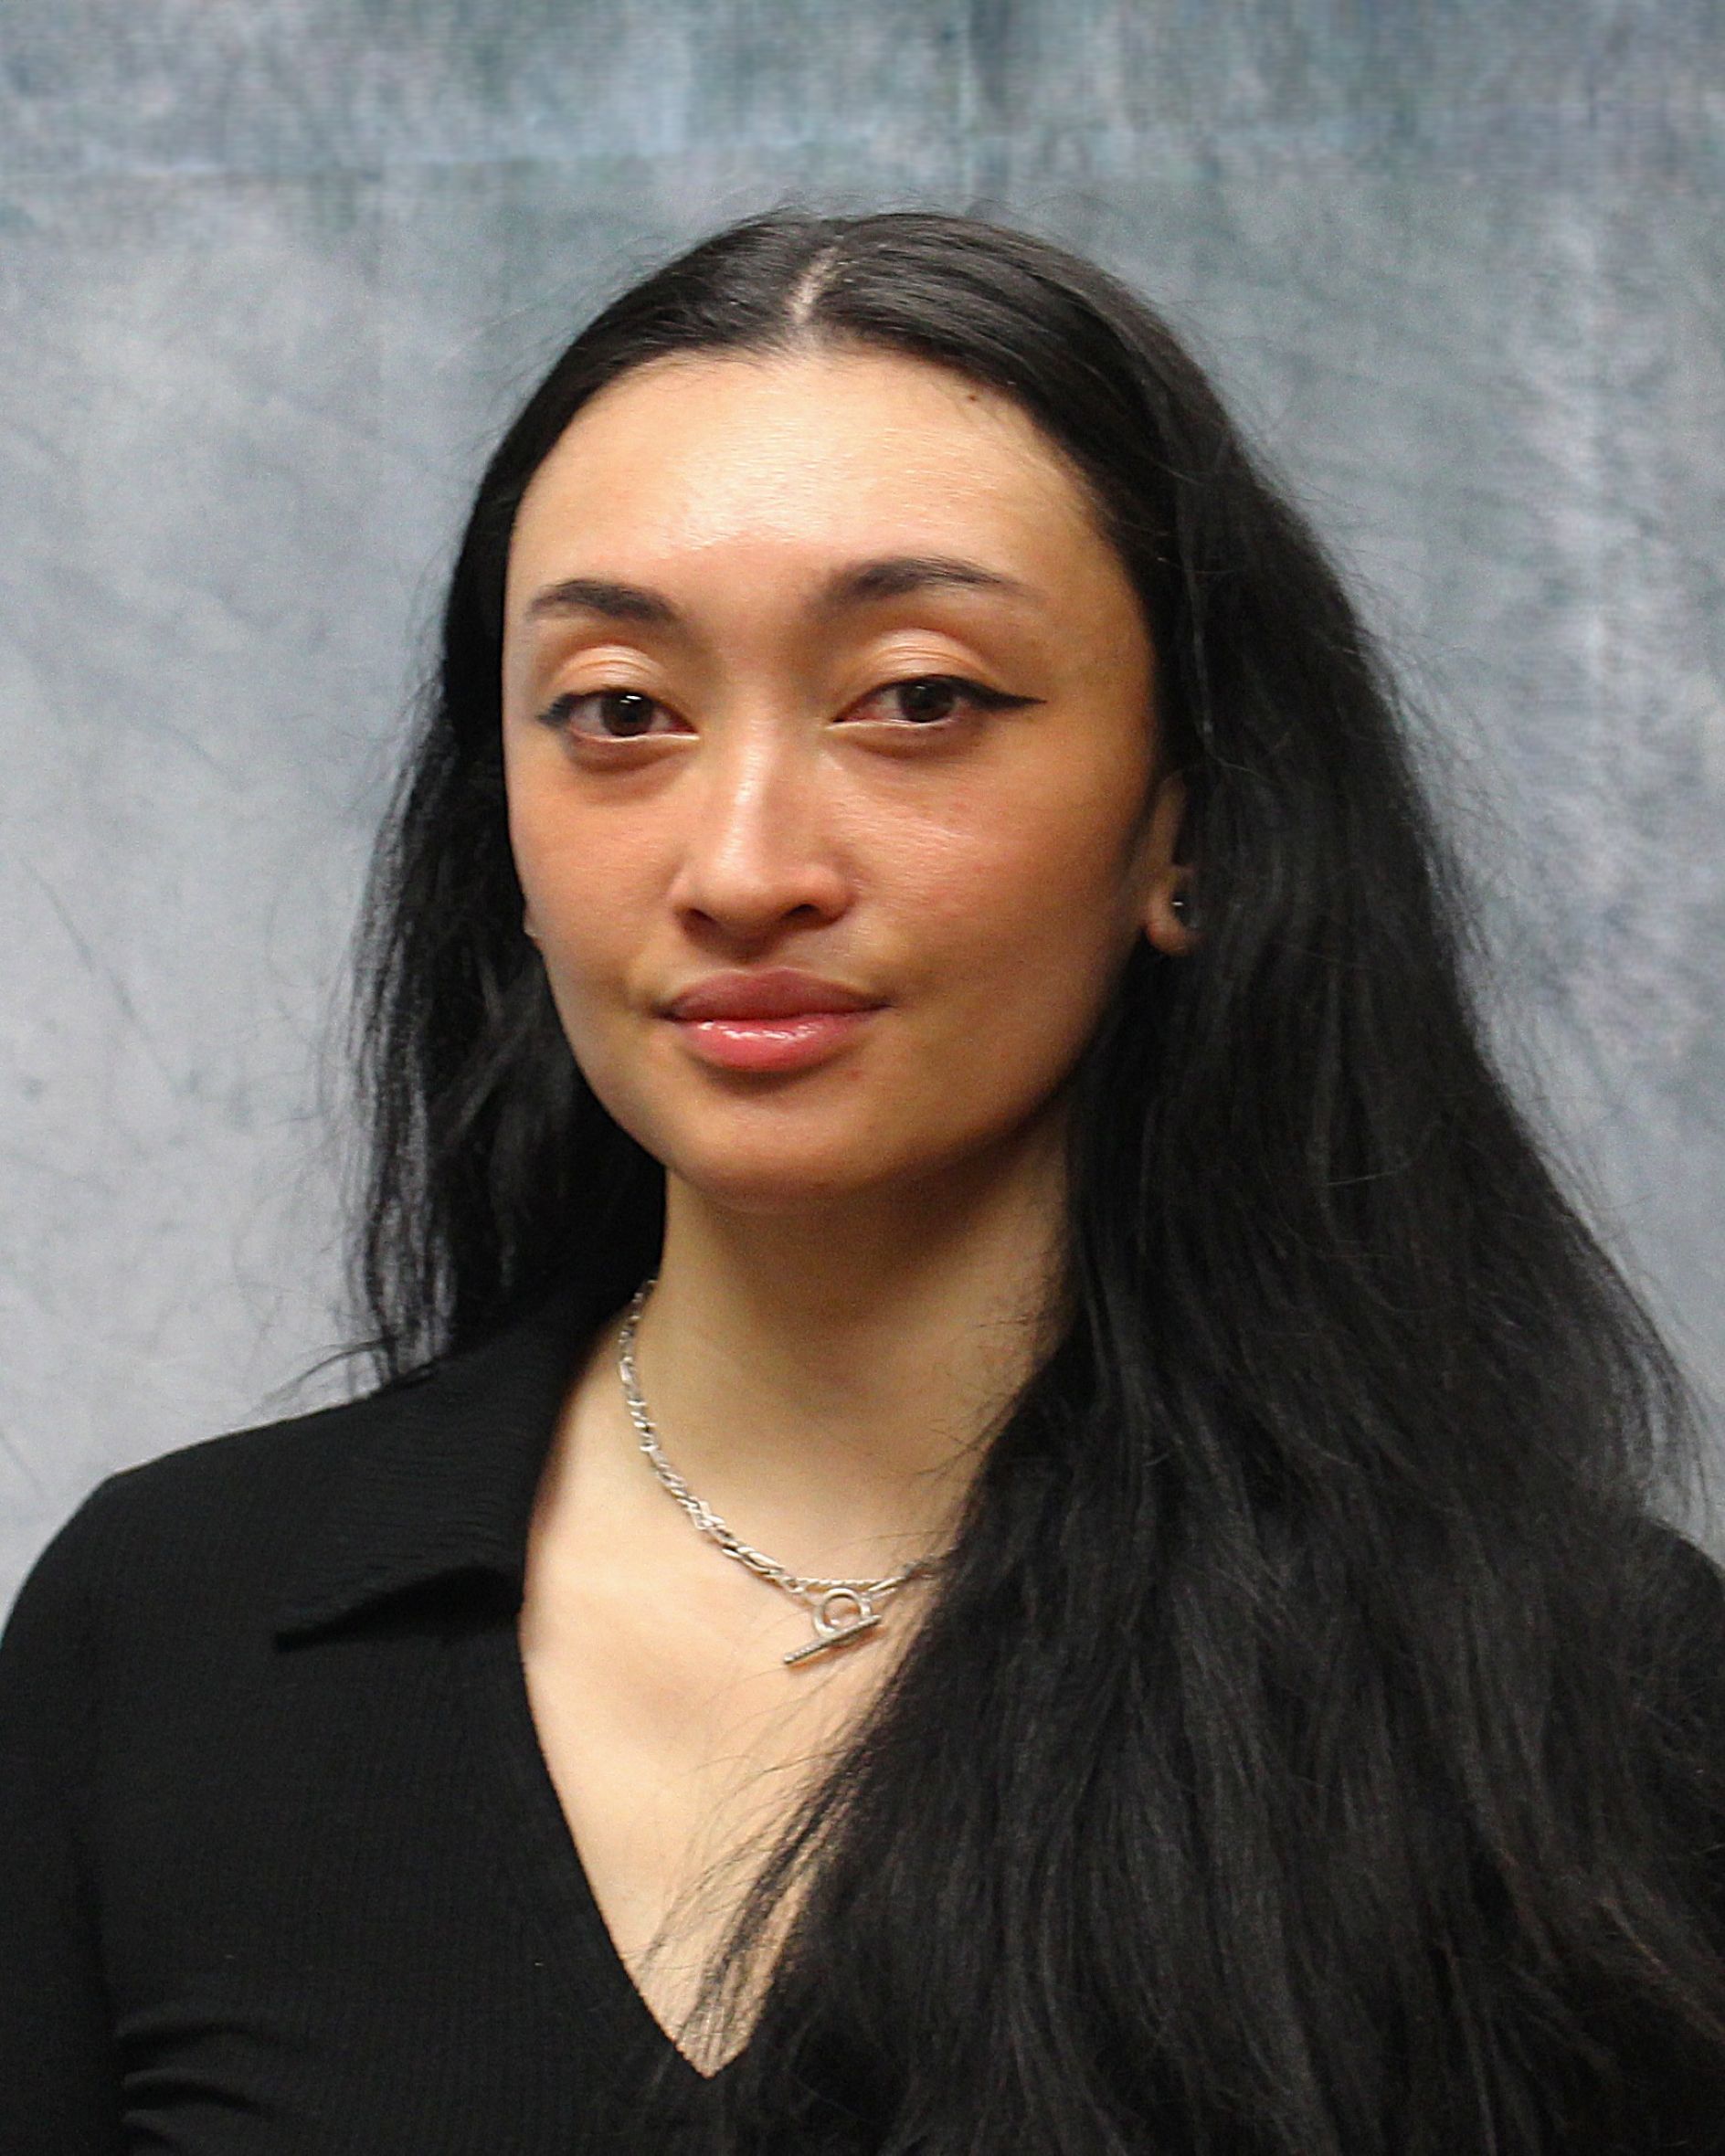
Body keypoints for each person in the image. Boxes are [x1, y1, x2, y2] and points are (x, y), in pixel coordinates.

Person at [3, 207, 1724, 2156]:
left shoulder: (1577, 1694)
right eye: (620, 712)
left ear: (1191, 822)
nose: (743, 866)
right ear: (505, 833)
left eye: (917, 697)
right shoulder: (172, 1629)